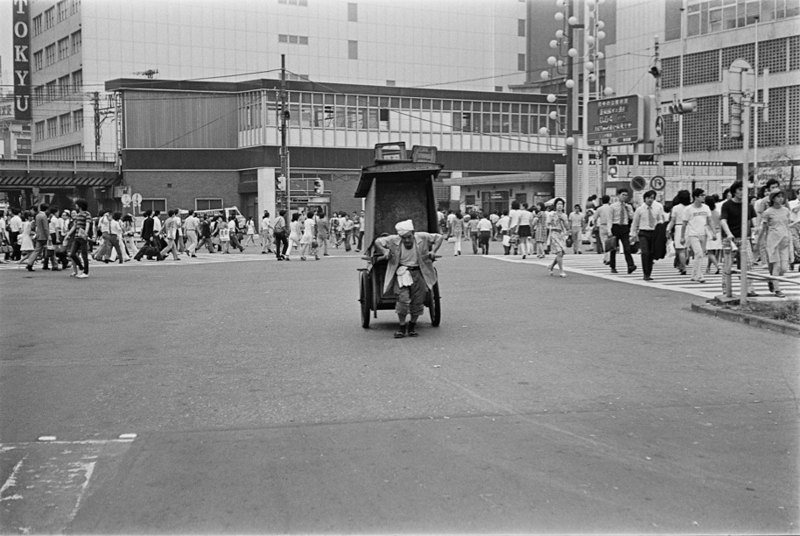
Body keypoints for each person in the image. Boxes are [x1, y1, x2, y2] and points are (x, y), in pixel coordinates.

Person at [372, 219, 444, 338]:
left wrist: (433, 251)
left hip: (419, 272)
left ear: (413, 233)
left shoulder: (422, 237)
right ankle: (401, 327)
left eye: (409, 237)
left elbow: (439, 237)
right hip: (402, 273)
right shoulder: (394, 240)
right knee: (403, 299)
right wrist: (384, 251)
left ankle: (412, 325)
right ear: (400, 236)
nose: (407, 240)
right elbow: (378, 241)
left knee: (418, 300)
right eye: (403, 238)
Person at [720, 180, 758, 297]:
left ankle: (749, 289)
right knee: (728, 264)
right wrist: (728, 233)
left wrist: (756, 228)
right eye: (740, 190)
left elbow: (754, 219)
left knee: (749, 263)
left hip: (744, 238)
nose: (742, 192)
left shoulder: (748, 205)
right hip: (729, 239)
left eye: (745, 190)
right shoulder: (727, 205)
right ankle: (726, 289)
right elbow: (723, 220)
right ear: (734, 191)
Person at [756, 190, 792, 298]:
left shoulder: (786, 211)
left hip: (784, 241)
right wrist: (758, 243)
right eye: (778, 197)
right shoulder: (768, 212)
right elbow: (763, 228)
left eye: (782, 197)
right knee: (777, 266)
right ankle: (777, 290)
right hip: (772, 242)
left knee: (784, 268)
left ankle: (772, 279)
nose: (781, 199)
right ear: (773, 199)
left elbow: (787, 225)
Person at [681, 188, 716, 283]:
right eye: (702, 195)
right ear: (696, 197)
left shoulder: (706, 208)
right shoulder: (688, 209)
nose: (704, 197)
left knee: (700, 255)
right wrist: (682, 236)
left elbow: (710, 220)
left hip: (703, 233)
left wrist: (713, 232)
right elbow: (684, 223)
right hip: (692, 234)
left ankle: (694, 274)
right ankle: (699, 276)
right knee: (699, 253)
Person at [630, 190, 666, 281]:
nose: (650, 200)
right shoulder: (639, 210)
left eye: (652, 198)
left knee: (651, 253)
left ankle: (649, 273)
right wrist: (632, 234)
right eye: (648, 198)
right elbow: (635, 223)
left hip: (654, 233)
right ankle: (645, 273)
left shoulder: (657, 208)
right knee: (645, 252)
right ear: (644, 199)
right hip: (643, 233)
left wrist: (662, 228)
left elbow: (660, 220)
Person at [608, 188, 636, 275]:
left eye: (626, 195)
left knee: (627, 248)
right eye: (623, 195)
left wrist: (628, 210)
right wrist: (609, 230)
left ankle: (630, 265)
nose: (625, 197)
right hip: (615, 227)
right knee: (613, 248)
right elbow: (609, 219)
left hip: (624, 227)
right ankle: (613, 266)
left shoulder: (629, 206)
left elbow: (632, 217)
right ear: (618, 195)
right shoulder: (612, 206)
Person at [667, 190, 691, 275]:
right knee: (686, 248)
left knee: (680, 250)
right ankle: (683, 264)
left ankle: (683, 267)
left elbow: (672, 220)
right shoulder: (691, 207)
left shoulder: (676, 208)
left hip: (679, 227)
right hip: (689, 227)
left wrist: (668, 229)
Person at [67, 199, 92, 278]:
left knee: (84, 255)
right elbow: (75, 226)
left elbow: (88, 224)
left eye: (77, 204)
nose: (76, 206)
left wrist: (85, 233)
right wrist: (68, 234)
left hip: (82, 237)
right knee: (72, 254)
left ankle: (85, 272)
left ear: (80, 205)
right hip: (77, 237)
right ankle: (81, 267)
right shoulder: (77, 215)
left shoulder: (87, 214)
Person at [546, 198, 570, 277]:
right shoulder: (552, 214)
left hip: (562, 235)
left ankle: (551, 266)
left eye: (561, 204)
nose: (560, 206)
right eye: (558, 204)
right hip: (554, 234)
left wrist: (564, 220)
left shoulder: (564, 215)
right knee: (559, 253)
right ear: (555, 206)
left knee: (561, 254)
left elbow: (567, 227)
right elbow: (547, 224)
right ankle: (561, 271)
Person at [24, 204, 50, 272]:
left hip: (38, 235)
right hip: (44, 235)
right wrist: (48, 235)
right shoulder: (44, 216)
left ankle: (29, 264)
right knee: (50, 249)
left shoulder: (37, 215)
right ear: (47, 209)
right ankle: (53, 264)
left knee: (36, 251)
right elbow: (46, 227)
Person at [705, 195, 722, 275]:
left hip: (709, 232)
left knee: (710, 252)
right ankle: (708, 267)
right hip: (718, 232)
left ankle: (717, 266)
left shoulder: (706, 212)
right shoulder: (717, 212)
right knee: (716, 251)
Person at [592, 195, 612, 263]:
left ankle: (607, 258)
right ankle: (607, 257)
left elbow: (594, 218)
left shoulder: (600, 209)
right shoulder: (611, 208)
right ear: (609, 200)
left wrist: (594, 225)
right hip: (611, 226)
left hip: (602, 226)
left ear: (602, 201)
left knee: (604, 242)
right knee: (610, 243)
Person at [789, 187, 800, 270]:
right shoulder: (792, 203)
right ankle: (793, 260)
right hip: (794, 224)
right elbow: (795, 210)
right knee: (796, 243)